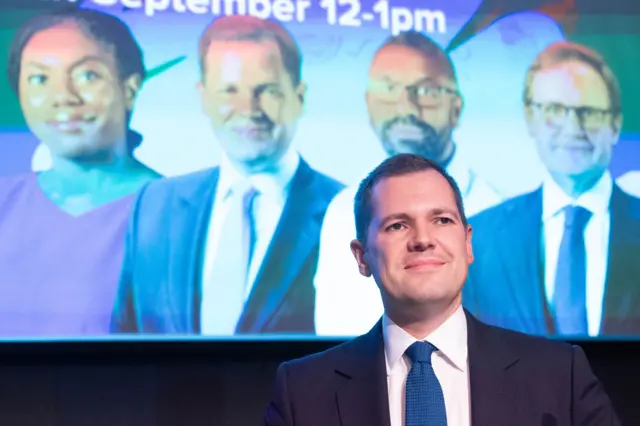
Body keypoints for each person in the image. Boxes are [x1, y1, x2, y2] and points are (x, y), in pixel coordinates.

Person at [262, 153, 620, 426]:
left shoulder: (560, 375)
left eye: (442, 220)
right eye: (398, 225)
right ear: (362, 256)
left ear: (467, 244)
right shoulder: (302, 392)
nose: (422, 240)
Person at [110, 15, 344, 335]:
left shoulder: (346, 212)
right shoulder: (155, 205)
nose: (248, 108)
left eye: (267, 90)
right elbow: (125, 342)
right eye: (229, 90)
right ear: (204, 97)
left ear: (298, 97)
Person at [314, 31, 503, 336]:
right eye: (389, 89)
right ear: (369, 104)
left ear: (456, 107)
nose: (406, 107)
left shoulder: (500, 213)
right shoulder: (341, 212)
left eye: (426, 91)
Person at [463, 42, 640, 337]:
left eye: (589, 112)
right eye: (555, 110)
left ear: (615, 124)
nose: (573, 127)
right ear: (531, 119)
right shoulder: (481, 238)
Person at [0, 7, 159, 336]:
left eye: (87, 76)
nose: (63, 98)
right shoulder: (6, 201)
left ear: (130, 88)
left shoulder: (176, 213)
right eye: (39, 79)